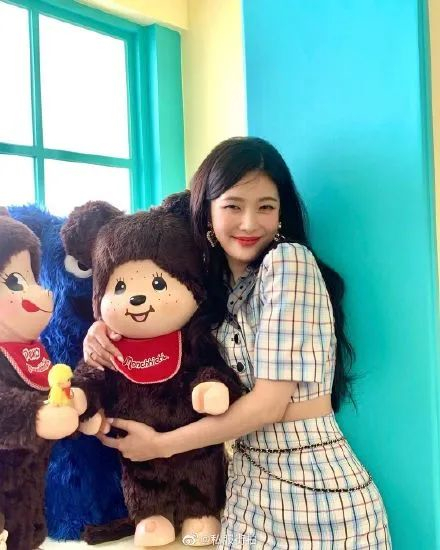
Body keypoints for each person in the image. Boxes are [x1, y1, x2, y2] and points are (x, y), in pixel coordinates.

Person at [84, 137, 391, 549]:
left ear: (281, 213)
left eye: (266, 207)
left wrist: (160, 446)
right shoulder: (213, 290)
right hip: (245, 493)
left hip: (316, 491)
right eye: (233, 206)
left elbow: (268, 405)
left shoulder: (288, 263)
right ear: (207, 211)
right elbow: (158, 319)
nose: (249, 223)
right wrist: (102, 329)